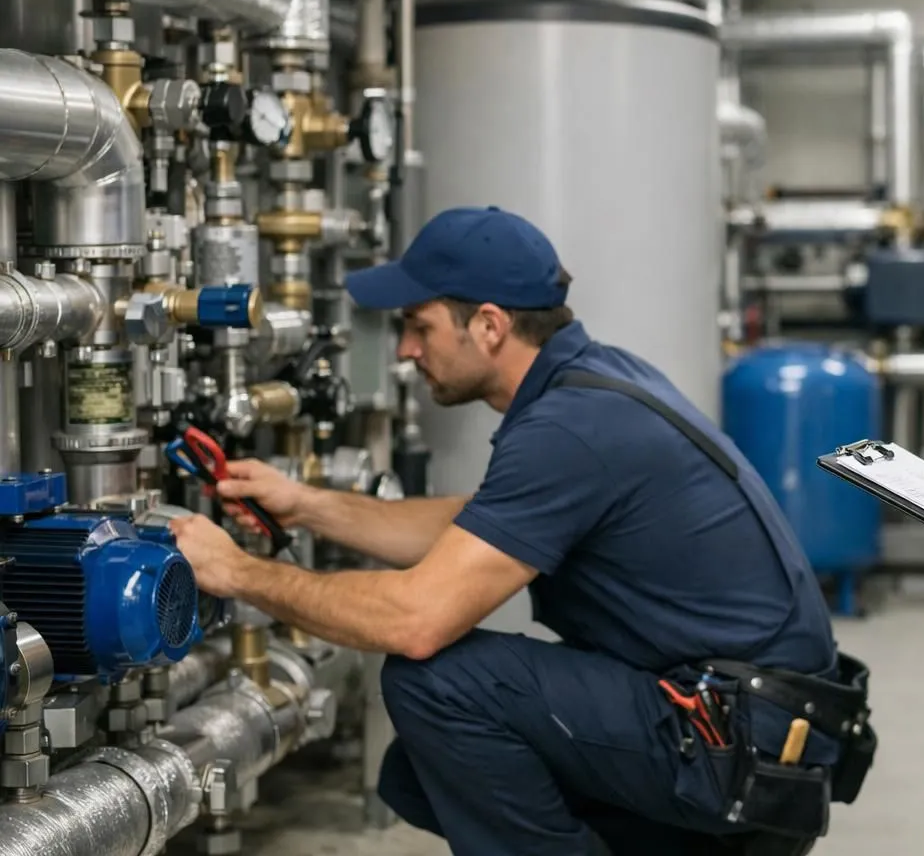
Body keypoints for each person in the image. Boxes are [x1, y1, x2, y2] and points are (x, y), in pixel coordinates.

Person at [170, 206, 874, 856]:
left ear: (488, 325)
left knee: (438, 682)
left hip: (741, 744)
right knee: (422, 771)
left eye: (420, 327)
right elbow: (472, 528)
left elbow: (417, 621)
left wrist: (241, 574)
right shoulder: (592, 384)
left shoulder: (570, 428)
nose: (408, 352)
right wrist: (304, 504)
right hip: (767, 728)